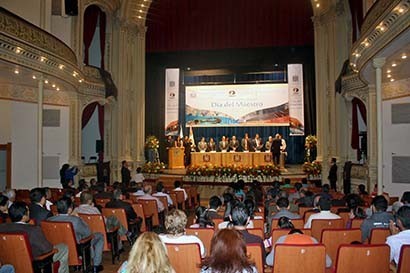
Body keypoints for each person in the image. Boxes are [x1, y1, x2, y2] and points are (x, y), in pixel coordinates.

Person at [0, 202, 69, 273]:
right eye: (28, 211)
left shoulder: (1, 227)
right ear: (24, 217)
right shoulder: (33, 229)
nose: (29, 212)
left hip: (8, 260)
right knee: (63, 247)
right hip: (35, 260)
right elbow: (47, 249)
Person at [48, 198, 104, 273]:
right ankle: (96, 265)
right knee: (100, 236)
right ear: (70, 209)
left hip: (58, 248)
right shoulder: (75, 220)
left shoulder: (49, 220)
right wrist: (79, 217)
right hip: (78, 248)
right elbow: (88, 233)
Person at [266, 228, 332, 268]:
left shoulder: (282, 239)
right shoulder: (313, 240)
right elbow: (328, 263)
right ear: (302, 235)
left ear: (289, 235)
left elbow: (269, 261)